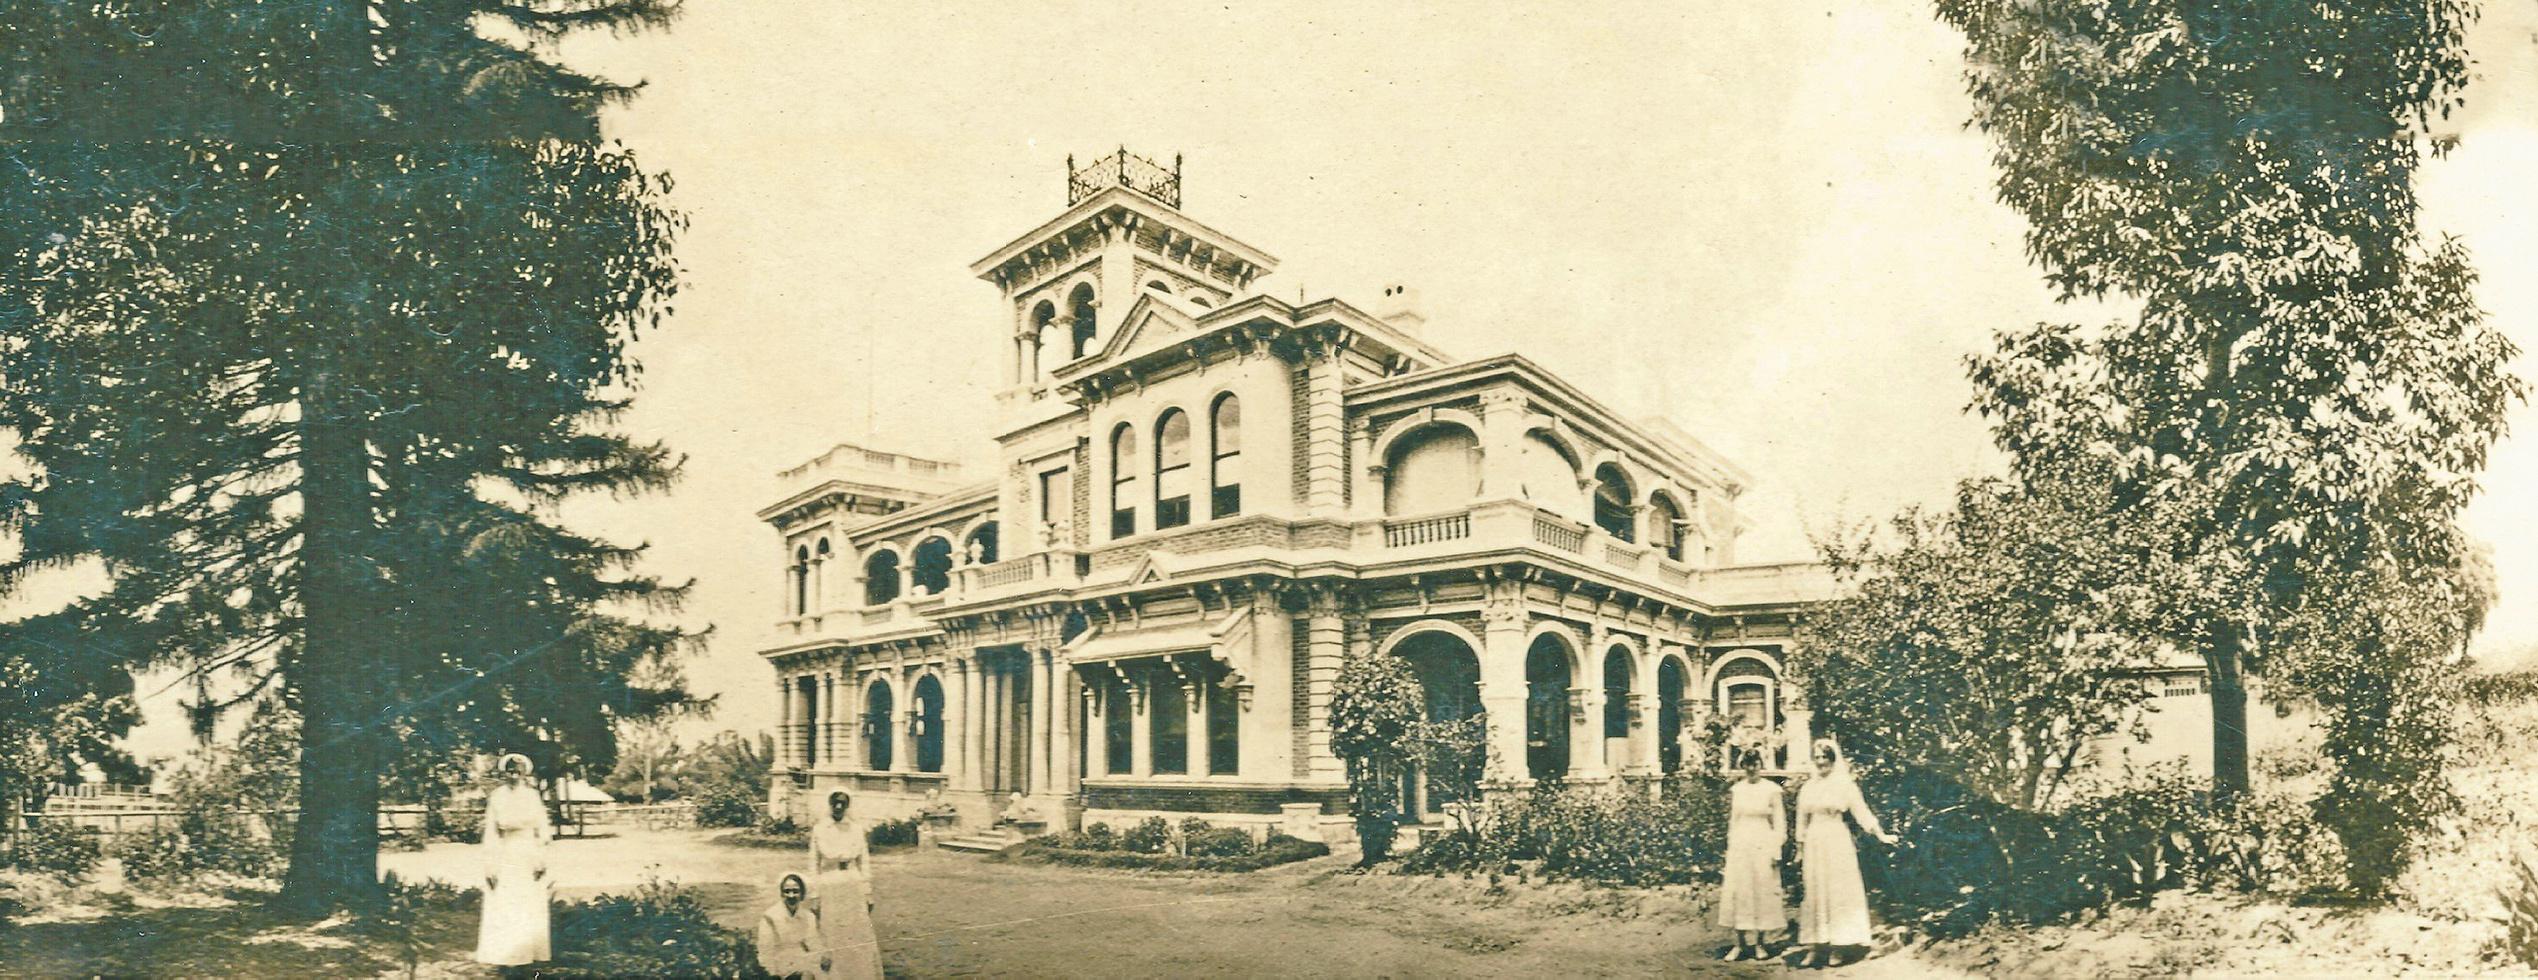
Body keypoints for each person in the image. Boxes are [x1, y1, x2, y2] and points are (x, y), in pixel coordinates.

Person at [1794, 738, 1898, 968]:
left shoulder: (1845, 785)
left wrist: (1882, 835)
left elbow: (1862, 813)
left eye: (1825, 757)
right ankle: (1815, 946)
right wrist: (1800, 850)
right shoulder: (1808, 787)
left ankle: (1838, 947)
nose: (1821, 762)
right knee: (1815, 890)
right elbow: (1801, 821)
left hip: (1836, 840)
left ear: (1833, 759)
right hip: (1814, 842)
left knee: (1836, 890)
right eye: (1817, 757)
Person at [475, 753, 552, 968]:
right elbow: (491, 832)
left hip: (528, 853)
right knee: (507, 901)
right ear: (503, 773)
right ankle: (506, 955)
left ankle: (528, 954)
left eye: (518, 771)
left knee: (527, 901)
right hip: (506, 853)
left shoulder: (532, 796)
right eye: (509, 771)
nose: (514, 775)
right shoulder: (497, 796)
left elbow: (542, 829)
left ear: (525, 773)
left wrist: (541, 859)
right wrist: (490, 865)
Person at [1716, 749, 1787, 961]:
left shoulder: (1772, 790)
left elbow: (1780, 823)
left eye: (1755, 763)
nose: (1751, 768)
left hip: (1763, 843)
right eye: (1747, 764)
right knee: (1741, 890)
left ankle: (1760, 943)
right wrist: (1730, 848)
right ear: (1743, 766)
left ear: (1761, 764)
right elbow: (1734, 821)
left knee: (1761, 889)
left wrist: (1776, 849)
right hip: (1741, 844)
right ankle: (1739, 944)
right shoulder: (1737, 789)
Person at [808, 790, 884, 979]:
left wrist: (867, 892)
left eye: (843, 803)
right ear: (830, 804)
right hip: (829, 883)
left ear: (848, 805)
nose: (839, 806)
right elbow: (813, 864)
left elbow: (864, 862)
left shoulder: (856, 829)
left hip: (852, 882)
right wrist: (814, 895)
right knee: (831, 931)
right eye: (835, 802)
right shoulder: (820, 829)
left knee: (855, 932)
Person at [756, 874, 829, 979]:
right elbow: (765, 951)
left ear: (802, 893)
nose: (791, 896)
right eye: (787, 891)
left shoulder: (808, 916)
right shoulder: (770, 917)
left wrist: (822, 956)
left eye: (795, 891)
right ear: (782, 893)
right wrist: (773, 974)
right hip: (779, 967)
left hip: (802, 963)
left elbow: (813, 942)